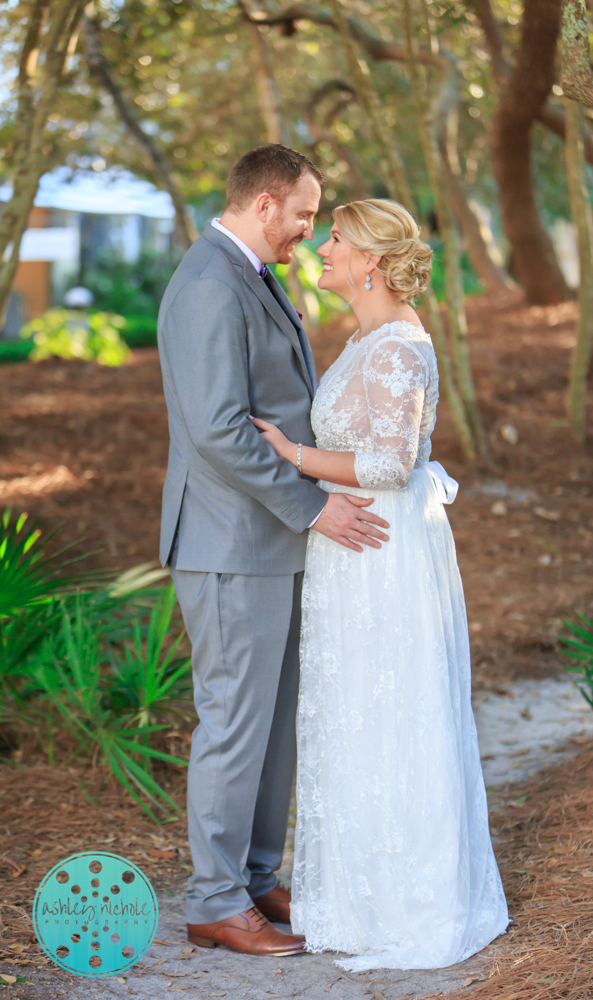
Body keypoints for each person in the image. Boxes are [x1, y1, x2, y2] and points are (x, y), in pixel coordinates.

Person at [250, 198, 509, 971]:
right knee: (355, 711)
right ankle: (357, 892)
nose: (321, 247)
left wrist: (290, 455)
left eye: (334, 238)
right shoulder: (367, 337)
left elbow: (392, 464)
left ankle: (408, 899)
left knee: (389, 710)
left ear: (369, 261)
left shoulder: (396, 347)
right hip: (352, 549)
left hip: (381, 552)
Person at [157, 146, 390, 958]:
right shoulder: (206, 287)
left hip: (270, 540)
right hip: (229, 544)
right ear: (265, 204)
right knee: (233, 722)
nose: (308, 229)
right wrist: (313, 503)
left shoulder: (251, 274)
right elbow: (219, 431)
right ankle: (214, 900)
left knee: (274, 725)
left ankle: (256, 878)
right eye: (302, 212)